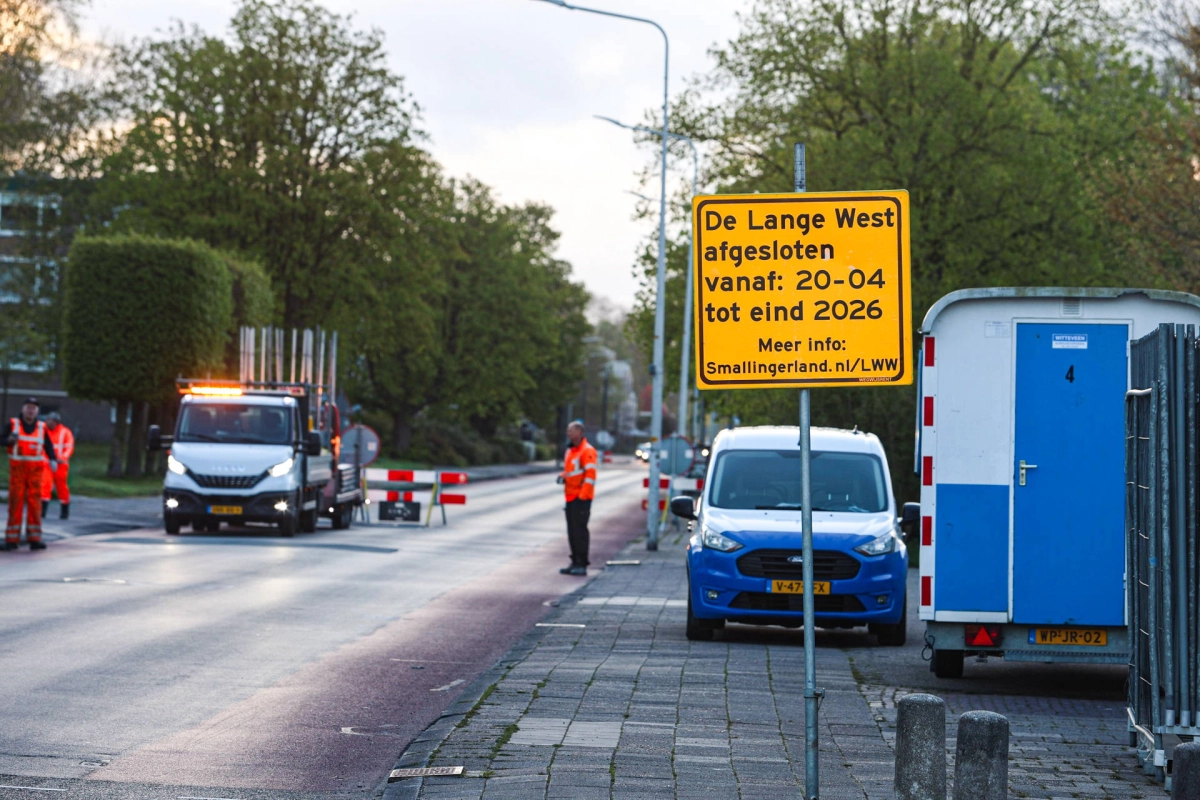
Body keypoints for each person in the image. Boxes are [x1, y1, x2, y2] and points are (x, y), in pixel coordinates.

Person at [5, 397, 56, 551]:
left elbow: (48, 444)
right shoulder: (13, 425)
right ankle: (12, 540)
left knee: (35, 506)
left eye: (34, 408)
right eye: (28, 407)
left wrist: (53, 458)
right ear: (23, 409)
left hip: (35, 473)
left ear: (37, 411)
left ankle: (34, 539)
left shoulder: (42, 427)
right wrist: (8, 440)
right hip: (18, 472)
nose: (31, 410)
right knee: (15, 504)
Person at [558, 420, 597, 576]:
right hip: (570, 497)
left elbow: (590, 476)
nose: (568, 433)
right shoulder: (570, 450)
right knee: (572, 532)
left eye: (571, 431)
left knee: (580, 531)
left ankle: (582, 563)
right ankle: (574, 561)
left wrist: (582, 497)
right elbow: (570, 471)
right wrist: (562, 476)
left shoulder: (587, 451)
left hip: (581, 498)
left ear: (580, 432)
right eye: (568, 431)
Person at [41, 411, 74, 519]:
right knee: (45, 485)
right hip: (47, 463)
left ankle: (64, 511)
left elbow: (69, 447)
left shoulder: (65, 432)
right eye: (47, 420)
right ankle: (42, 511)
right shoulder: (44, 431)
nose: (47, 422)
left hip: (61, 464)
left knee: (62, 487)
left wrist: (62, 458)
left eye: (49, 420)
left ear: (56, 422)